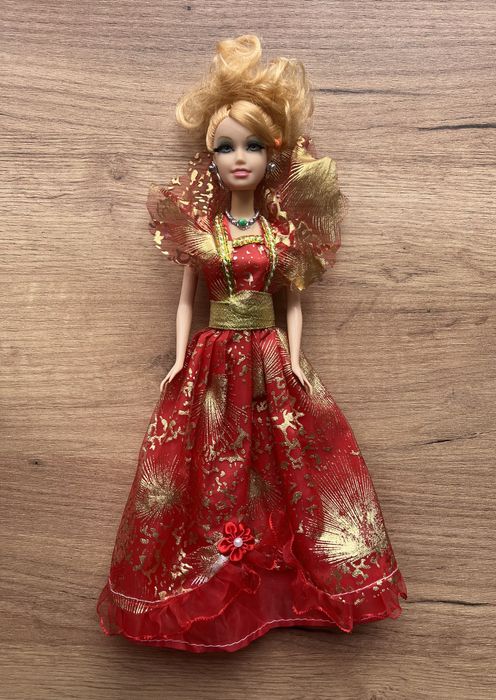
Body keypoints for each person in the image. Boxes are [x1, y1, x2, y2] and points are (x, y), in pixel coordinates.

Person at [96, 33, 407, 654]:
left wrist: (294, 358)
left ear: (273, 153)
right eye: (226, 146)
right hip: (213, 357)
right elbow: (187, 300)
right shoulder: (201, 232)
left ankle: (292, 568)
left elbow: (294, 301)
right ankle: (210, 572)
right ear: (210, 158)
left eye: (253, 145)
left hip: (268, 353)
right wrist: (179, 358)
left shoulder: (281, 233)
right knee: (209, 456)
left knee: (287, 455)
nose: (240, 158)